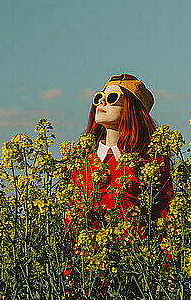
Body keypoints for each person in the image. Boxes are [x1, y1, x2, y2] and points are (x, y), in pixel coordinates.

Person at [62, 73, 174, 294]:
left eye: (112, 97)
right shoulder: (80, 159)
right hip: (85, 275)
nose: (101, 102)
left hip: (134, 274)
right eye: (99, 97)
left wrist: (168, 270)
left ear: (133, 108)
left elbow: (164, 216)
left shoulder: (151, 161)